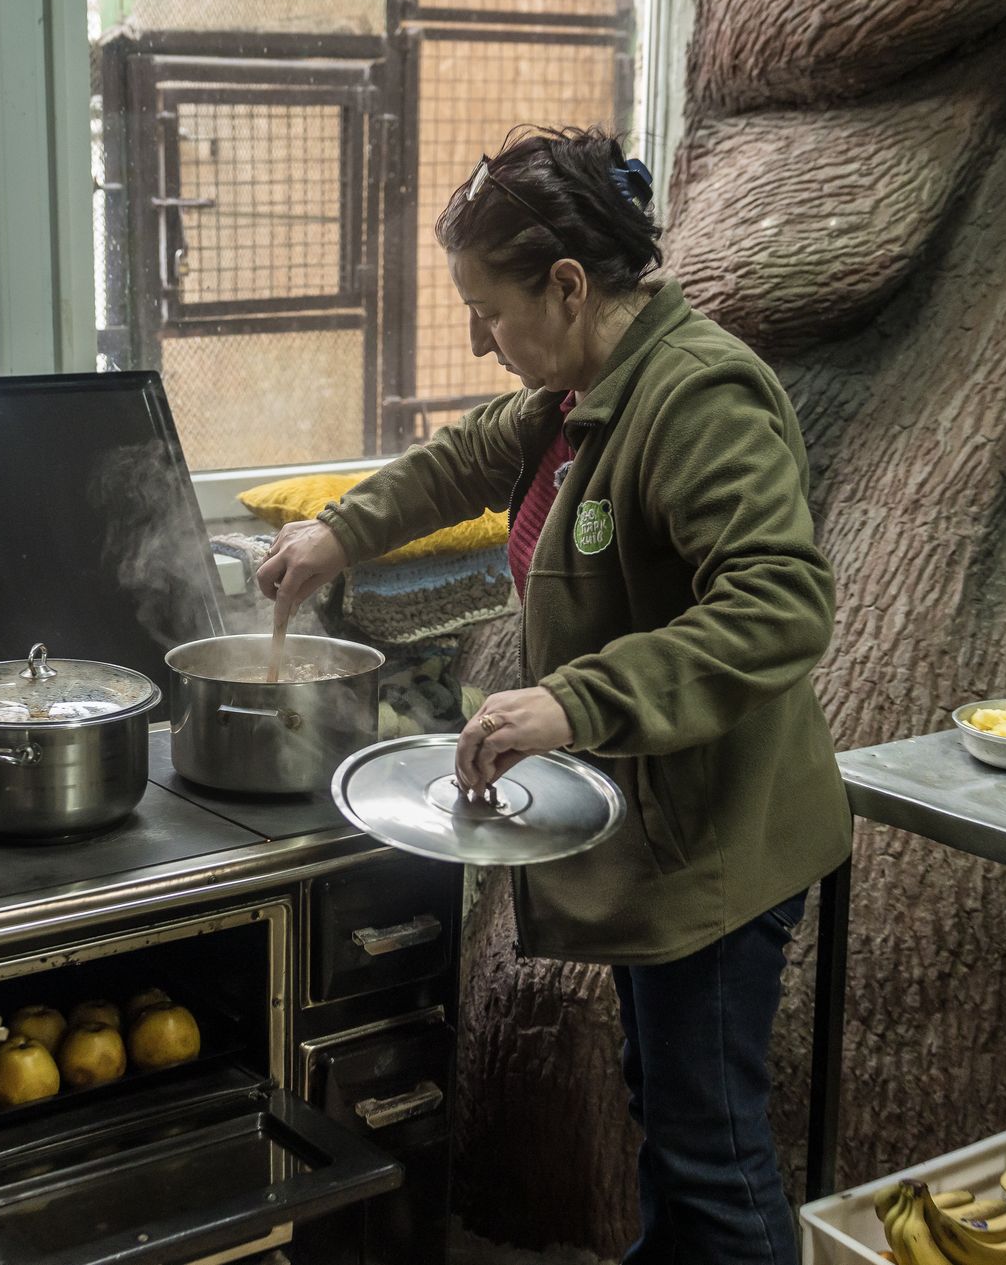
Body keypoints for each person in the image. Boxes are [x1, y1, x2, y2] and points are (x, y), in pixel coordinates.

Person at [255, 124, 852, 1265]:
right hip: (665, 831)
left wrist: (574, 702)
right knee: (671, 1115)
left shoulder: (698, 397)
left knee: (714, 1155)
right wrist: (338, 534)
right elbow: (463, 458)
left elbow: (779, 607)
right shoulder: (587, 390)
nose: (483, 343)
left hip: (722, 848)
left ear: (568, 286)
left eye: (490, 311)